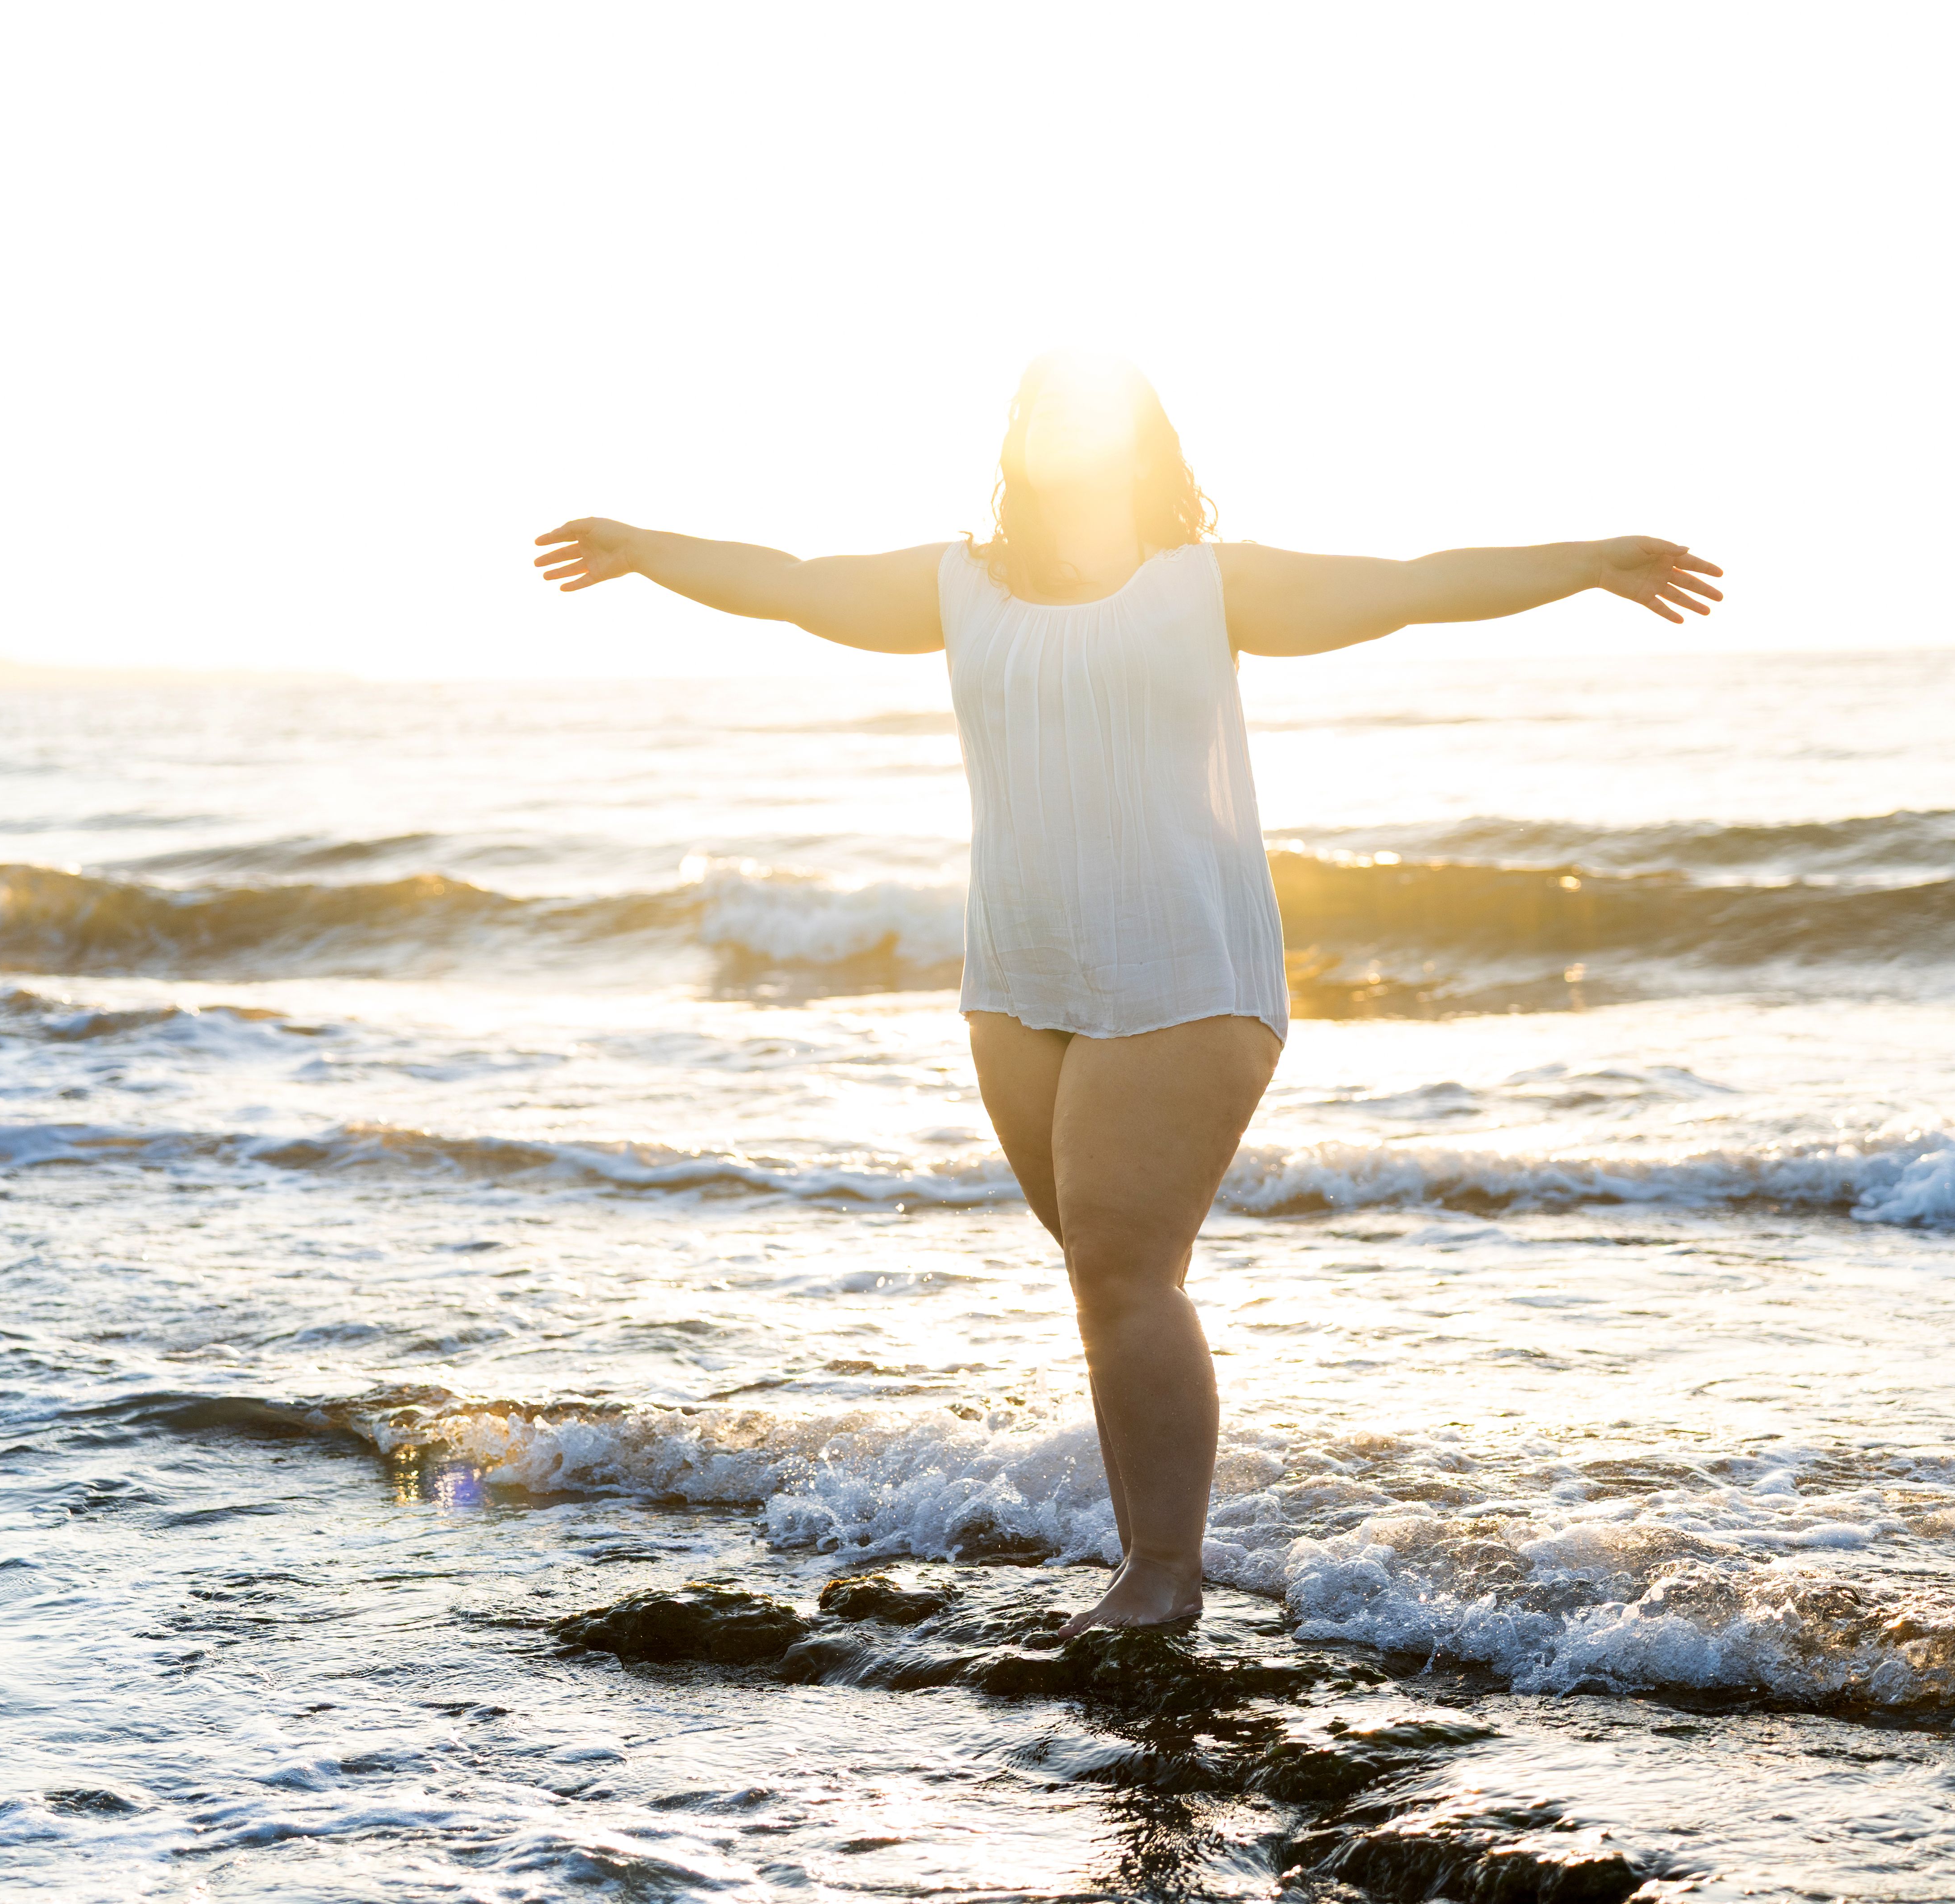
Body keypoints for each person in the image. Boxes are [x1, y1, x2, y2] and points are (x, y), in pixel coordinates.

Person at [531, 351, 1722, 1635]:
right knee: (1109, 1283)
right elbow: (797, 588)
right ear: (1022, 442)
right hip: (1021, 973)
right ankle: (1154, 1552)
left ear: (1142, 443)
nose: (1067, 430)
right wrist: (648, 546)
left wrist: (1588, 560)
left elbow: (1412, 590)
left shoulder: (1209, 585)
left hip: (1185, 964)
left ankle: (1164, 1576)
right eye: (1045, 411)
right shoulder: (959, 586)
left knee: (1122, 1269)